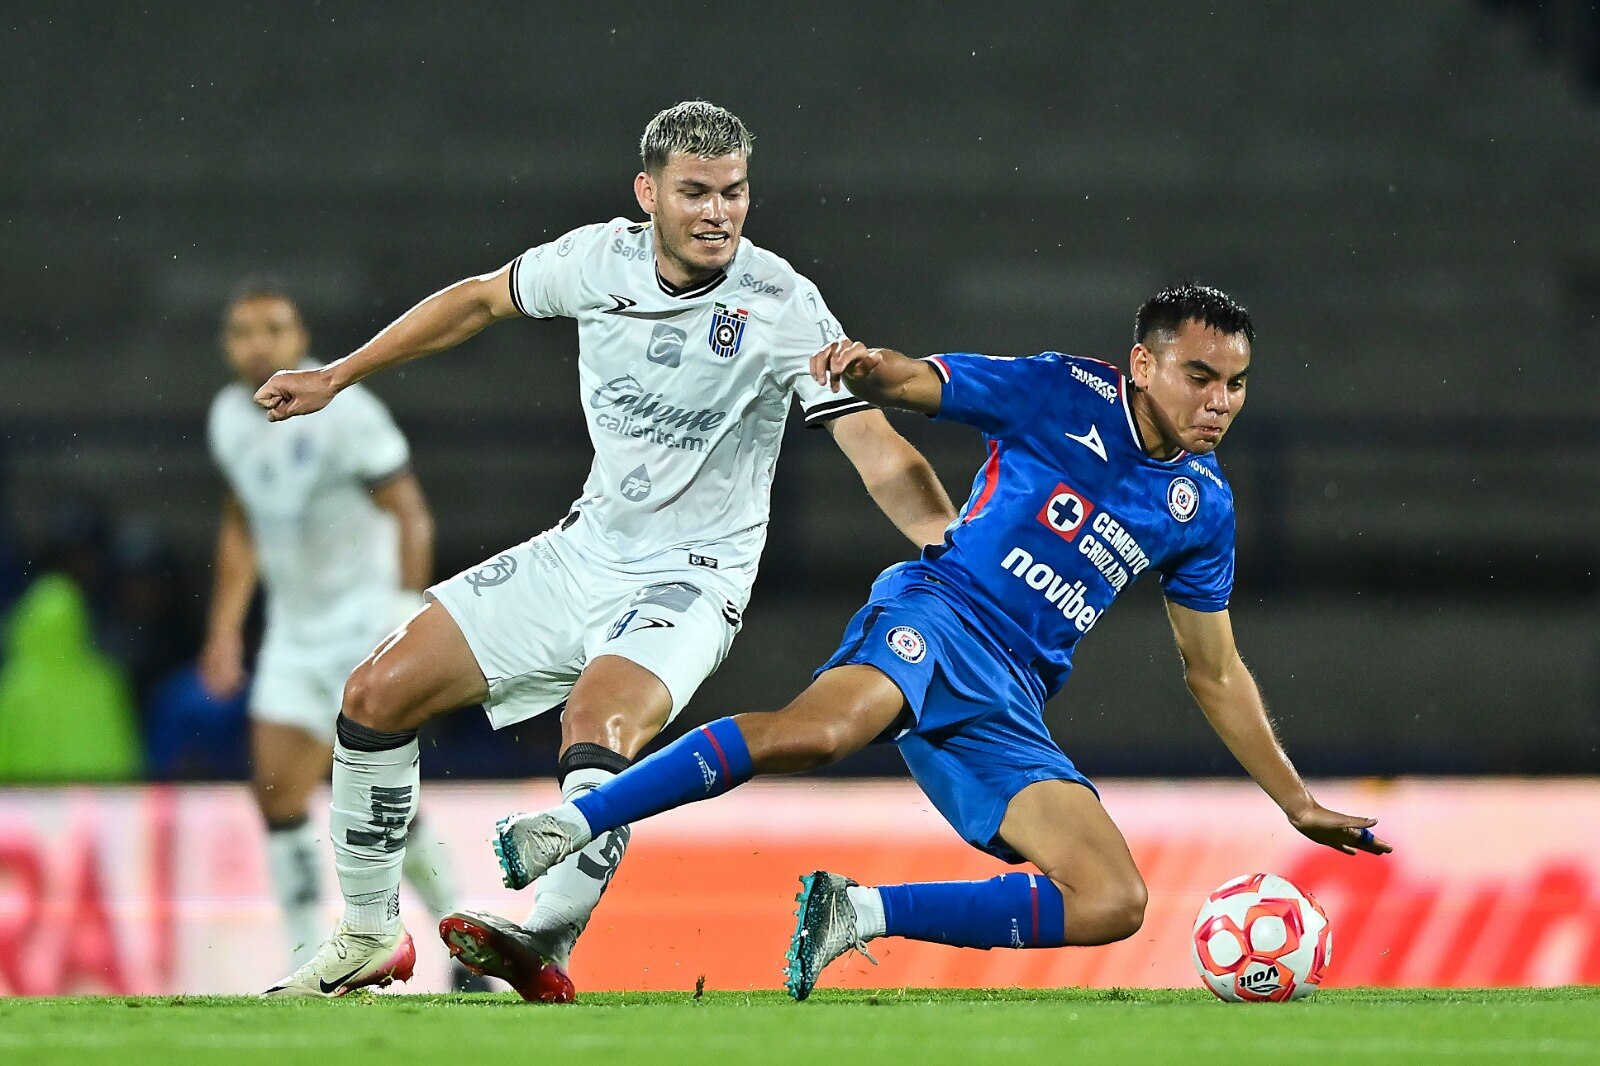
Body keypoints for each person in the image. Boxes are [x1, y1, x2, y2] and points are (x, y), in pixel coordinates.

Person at [492, 284, 1396, 1000]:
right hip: (941, 610)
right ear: (1143, 364)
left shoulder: (1205, 506)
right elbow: (926, 381)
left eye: (1236, 384)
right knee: (820, 734)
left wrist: (1295, 802)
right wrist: (870, 368)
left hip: (1012, 694)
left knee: (1113, 900)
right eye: (1199, 376)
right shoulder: (1061, 392)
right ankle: (568, 824)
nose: (1219, 402)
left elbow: (1216, 671)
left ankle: (857, 912)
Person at [251, 101, 956, 999]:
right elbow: (476, 301)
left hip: (693, 575)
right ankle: (366, 934)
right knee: (375, 694)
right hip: (582, 551)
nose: (717, 213)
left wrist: (947, 543)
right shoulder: (597, 259)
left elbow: (875, 449)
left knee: (598, 725)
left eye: (733, 193)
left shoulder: (781, 304)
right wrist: (337, 375)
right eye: (694, 192)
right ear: (647, 193)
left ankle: (543, 936)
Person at [200, 281, 468, 981]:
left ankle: (460, 938)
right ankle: (302, 955)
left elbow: (411, 514)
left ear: (300, 339)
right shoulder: (230, 418)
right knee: (278, 797)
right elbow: (241, 525)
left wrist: (405, 615)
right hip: (293, 636)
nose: (257, 343)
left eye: (273, 329)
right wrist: (226, 630)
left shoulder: (347, 413)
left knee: (383, 809)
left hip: (362, 625)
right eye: (242, 331)